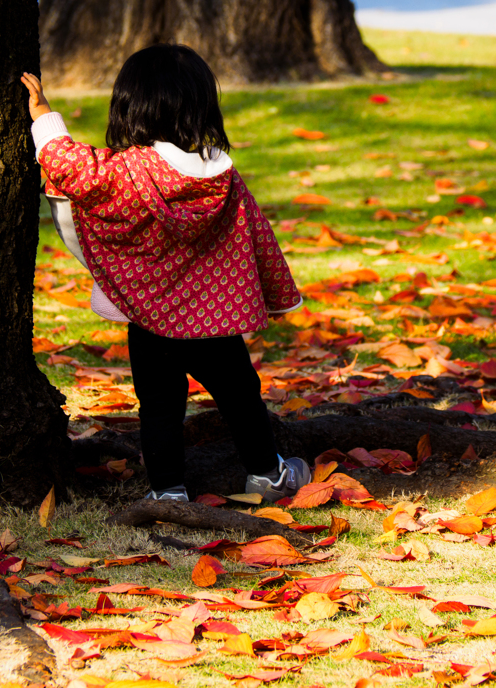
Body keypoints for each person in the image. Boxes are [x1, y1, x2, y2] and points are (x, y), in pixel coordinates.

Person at [20, 44, 310, 503]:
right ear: (202, 106)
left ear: (127, 106)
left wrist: (44, 117)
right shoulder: (220, 175)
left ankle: (168, 491)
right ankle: (267, 474)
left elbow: (66, 164)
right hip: (216, 322)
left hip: (148, 322)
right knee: (241, 396)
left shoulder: (121, 172)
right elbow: (258, 236)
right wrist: (279, 293)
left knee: (159, 408)